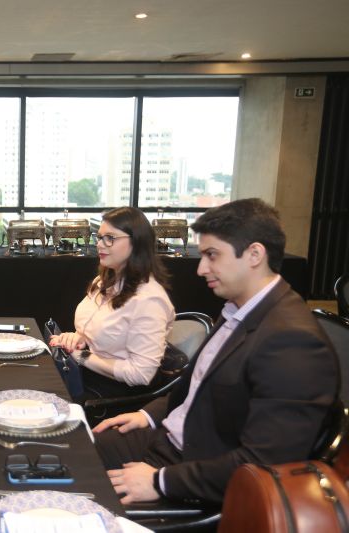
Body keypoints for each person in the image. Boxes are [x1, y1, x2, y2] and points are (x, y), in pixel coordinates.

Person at [93, 198, 339, 505]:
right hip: (170, 441)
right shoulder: (240, 309)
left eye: (212, 255)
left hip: (191, 472)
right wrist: (148, 415)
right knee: (63, 449)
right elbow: (200, 389)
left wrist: (161, 481)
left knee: (72, 485)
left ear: (254, 254)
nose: (200, 268)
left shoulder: (294, 342)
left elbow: (263, 465)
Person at [50, 207, 175, 409]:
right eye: (99, 237)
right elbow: (96, 330)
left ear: (137, 242)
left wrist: (82, 357)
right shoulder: (105, 280)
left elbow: (141, 374)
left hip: (113, 395)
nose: (100, 244)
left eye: (110, 238)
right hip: (89, 375)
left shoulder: (149, 300)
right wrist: (78, 338)